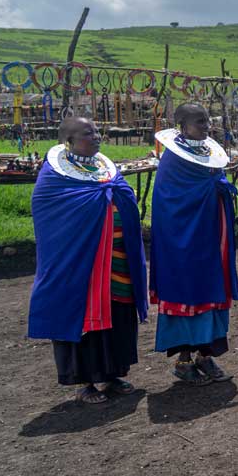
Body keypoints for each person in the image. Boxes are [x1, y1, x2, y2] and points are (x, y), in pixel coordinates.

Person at [28, 117, 148, 404]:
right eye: (87, 133)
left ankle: (113, 374)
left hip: (116, 263)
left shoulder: (107, 170)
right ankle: (86, 383)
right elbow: (52, 219)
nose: (96, 137)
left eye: (97, 131)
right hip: (81, 267)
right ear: (68, 141)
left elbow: (122, 198)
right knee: (85, 319)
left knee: (117, 316)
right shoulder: (54, 178)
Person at [150, 104, 238, 384]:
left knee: (211, 293)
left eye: (206, 121)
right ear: (181, 125)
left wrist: (219, 189)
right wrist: (210, 189)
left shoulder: (209, 153)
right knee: (187, 293)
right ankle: (183, 360)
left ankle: (206, 355)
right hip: (182, 242)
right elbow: (170, 201)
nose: (206, 126)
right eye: (199, 122)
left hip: (210, 238)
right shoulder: (173, 160)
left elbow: (214, 182)